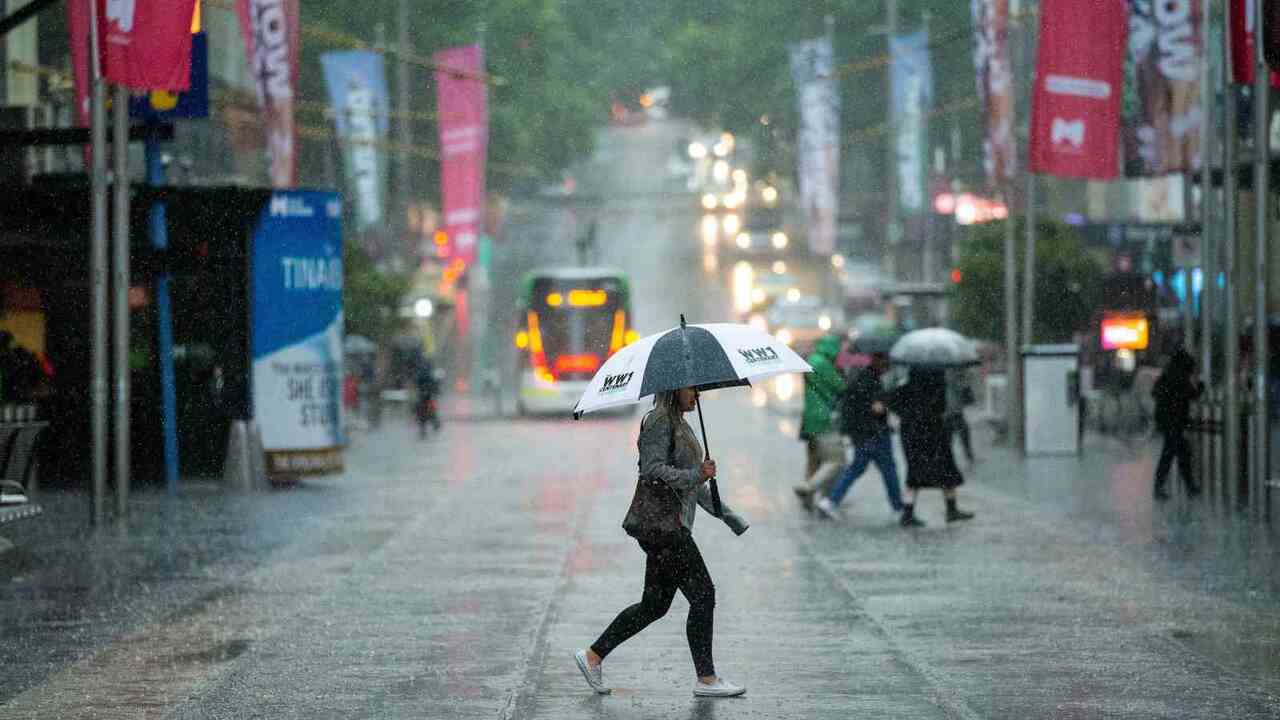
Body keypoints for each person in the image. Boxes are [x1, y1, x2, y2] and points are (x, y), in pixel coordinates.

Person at [575, 387, 749, 698]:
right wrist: (697, 473)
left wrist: (728, 515)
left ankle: (593, 656)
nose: (696, 393)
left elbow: (692, 485)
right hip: (664, 527)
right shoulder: (659, 421)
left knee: (654, 605)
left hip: (668, 526)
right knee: (703, 595)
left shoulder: (680, 423)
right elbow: (652, 470)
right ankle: (706, 679)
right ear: (673, 389)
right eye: (691, 389)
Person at [815, 352, 903, 519]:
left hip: (864, 433)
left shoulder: (862, 376)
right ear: (878, 360)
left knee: (858, 468)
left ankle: (830, 502)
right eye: (885, 362)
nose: (887, 365)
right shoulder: (870, 380)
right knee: (887, 469)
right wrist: (886, 403)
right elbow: (875, 408)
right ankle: (898, 506)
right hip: (873, 434)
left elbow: (853, 404)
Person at [887, 367, 975, 527]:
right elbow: (941, 407)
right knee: (947, 469)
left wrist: (907, 414)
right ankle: (951, 509)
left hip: (910, 434)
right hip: (934, 431)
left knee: (914, 472)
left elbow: (892, 403)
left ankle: (908, 513)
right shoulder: (937, 385)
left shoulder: (904, 388)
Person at [793, 334, 846, 509]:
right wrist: (841, 372)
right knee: (836, 460)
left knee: (814, 461)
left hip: (809, 418)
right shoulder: (823, 363)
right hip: (824, 418)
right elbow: (840, 386)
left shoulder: (811, 360)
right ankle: (810, 489)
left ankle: (808, 501)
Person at [1151, 348, 1202, 500]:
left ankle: (1187, 486)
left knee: (1179, 453)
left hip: (1167, 422)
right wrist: (1200, 386)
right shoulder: (1179, 376)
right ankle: (1165, 487)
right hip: (1174, 422)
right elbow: (1191, 394)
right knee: (1174, 454)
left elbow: (1155, 392)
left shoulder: (1167, 375)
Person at [944, 367, 977, 466]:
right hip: (951, 412)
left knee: (959, 435)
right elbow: (959, 388)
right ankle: (968, 456)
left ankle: (967, 456)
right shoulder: (951, 373)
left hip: (952, 411)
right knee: (961, 434)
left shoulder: (952, 372)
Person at [414, 355, 441, 437]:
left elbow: (418, 383)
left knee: (423, 411)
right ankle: (433, 423)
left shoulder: (421, 372)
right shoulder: (429, 373)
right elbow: (434, 384)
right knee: (429, 410)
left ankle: (425, 427)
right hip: (427, 394)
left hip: (424, 395)